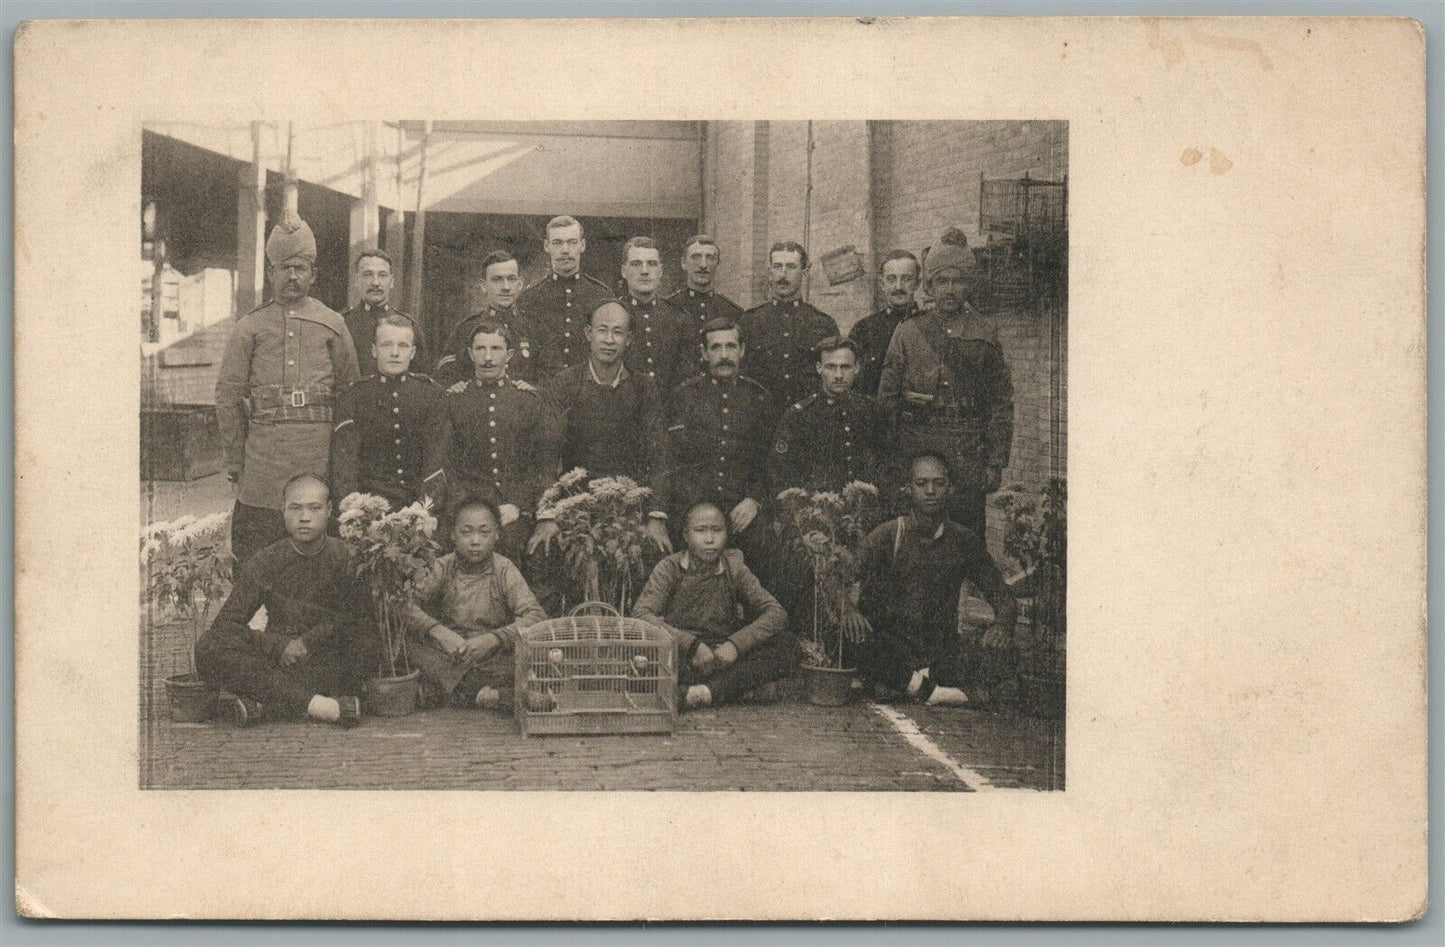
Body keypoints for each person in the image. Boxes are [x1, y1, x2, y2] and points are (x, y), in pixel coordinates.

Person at [215, 211, 360, 564]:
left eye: (300, 268)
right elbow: (228, 396)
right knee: (256, 556)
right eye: (284, 269)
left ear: (313, 274)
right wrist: (236, 459)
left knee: (319, 558)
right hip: (264, 460)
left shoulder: (332, 323)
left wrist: (343, 464)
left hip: (317, 454)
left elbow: (352, 394)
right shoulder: (249, 327)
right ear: (271, 273)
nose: (293, 276)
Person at [839, 452, 1018, 707]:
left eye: (939, 483)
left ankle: (907, 684)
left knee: (1006, 653)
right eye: (921, 484)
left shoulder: (964, 541)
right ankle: (940, 694)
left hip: (938, 651)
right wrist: (848, 610)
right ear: (908, 488)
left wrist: (1001, 625)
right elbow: (840, 577)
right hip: (890, 645)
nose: (930, 491)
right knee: (854, 640)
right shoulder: (888, 534)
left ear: (951, 488)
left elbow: (1001, 594)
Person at [195, 474, 373, 727]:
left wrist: (307, 641)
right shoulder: (266, 561)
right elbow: (227, 624)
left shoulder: (348, 556)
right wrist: (278, 645)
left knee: (366, 637)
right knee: (209, 647)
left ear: (329, 510)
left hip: (330, 656)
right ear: (283, 511)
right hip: (281, 659)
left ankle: (268, 702)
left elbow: (355, 617)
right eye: (295, 508)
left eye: (315, 508)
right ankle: (324, 707)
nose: (304, 517)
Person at [877, 237, 1014, 537]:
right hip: (919, 451)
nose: (950, 290)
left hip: (969, 455)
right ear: (929, 286)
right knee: (918, 538)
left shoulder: (985, 332)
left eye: (958, 281)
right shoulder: (909, 331)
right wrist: (894, 457)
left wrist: (995, 461)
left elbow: (1001, 403)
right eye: (942, 281)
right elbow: (886, 399)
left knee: (966, 537)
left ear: (969, 285)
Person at [535, 300, 673, 557]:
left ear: (629, 339)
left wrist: (656, 516)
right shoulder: (565, 384)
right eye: (602, 330)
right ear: (588, 334)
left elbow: (660, 453)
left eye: (618, 332)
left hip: (631, 502)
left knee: (652, 553)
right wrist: (547, 514)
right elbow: (547, 453)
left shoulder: (644, 387)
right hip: (576, 500)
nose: (609, 340)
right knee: (550, 552)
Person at [633, 502, 796, 709]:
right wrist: (691, 646)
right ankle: (734, 689)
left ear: (727, 533)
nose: (709, 540)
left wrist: (735, 645)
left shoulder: (734, 567)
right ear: (685, 535)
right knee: (641, 659)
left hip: (722, 654)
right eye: (700, 531)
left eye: (717, 530)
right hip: (684, 654)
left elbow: (776, 613)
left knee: (788, 645)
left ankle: (701, 693)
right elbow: (641, 614)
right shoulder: (669, 568)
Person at [436, 319, 562, 564]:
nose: (488, 357)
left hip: (516, 507)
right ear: (470, 354)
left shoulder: (529, 402)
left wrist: (519, 505)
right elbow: (447, 466)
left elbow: (543, 466)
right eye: (481, 349)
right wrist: (469, 510)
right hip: (468, 506)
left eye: (496, 349)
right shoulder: (454, 402)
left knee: (529, 548)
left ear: (510, 354)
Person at [404, 497, 547, 711]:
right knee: (407, 644)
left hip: (492, 657)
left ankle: (455, 692)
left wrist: (494, 639)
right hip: (450, 654)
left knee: (539, 654)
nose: (475, 541)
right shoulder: (442, 567)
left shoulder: (504, 569)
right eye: (466, 532)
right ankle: (492, 695)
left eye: (484, 532)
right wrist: (439, 632)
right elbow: (404, 604)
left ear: (497, 534)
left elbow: (535, 616)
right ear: (453, 534)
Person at [666, 318, 775, 576]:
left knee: (762, 558)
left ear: (742, 350)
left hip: (742, 510)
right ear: (704, 353)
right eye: (715, 348)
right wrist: (698, 510)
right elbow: (673, 462)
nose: (724, 355)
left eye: (730, 346)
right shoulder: (684, 397)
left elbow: (770, 461)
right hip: (694, 509)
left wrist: (754, 500)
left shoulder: (760, 398)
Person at [329, 315, 446, 508]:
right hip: (368, 507)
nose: (395, 353)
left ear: (413, 352)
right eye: (386, 345)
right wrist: (359, 513)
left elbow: (437, 461)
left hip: (418, 506)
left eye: (403, 346)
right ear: (374, 350)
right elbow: (344, 468)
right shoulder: (353, 397)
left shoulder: (432, 395)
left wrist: (422, 510)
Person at [767, 336, 885, 494]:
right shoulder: (798, 416)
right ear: (818, 368)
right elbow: (780, 471)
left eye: (845, 367)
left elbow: (887, 464)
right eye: (831, 367)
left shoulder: (871, 411)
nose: (838, 375)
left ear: (857, 368)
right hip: (815, 510)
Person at [738, 241, 838, 422]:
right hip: (760, 421)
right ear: (769, 272)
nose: (783, 274)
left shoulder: (823, 324)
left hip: (809, 422)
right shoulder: (750, 321)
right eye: (777, 267)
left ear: (804, 272)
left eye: (791, 267)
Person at [517, 215, 615, 380]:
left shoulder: (602, 296)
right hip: (545, 393)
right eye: (557, 243)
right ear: (547, 246)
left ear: (582, 246)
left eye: (572, 242)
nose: (565, 250)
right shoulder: (529, 298)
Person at [436, 250, 538, 388]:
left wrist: (534, 390)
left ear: (520, 284)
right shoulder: (466, 328)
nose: (506, 287)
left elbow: (549, 376)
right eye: (497, 280)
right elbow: (445, 377)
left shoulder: (535, 327)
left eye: (512, 279)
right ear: (484, 286)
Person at [616, 236, 690, 399]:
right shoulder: (612, 315)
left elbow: (687, 378)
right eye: (636, 264)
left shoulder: (678, 317)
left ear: (661, 271)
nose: (644, 271)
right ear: (623, 271)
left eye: (652, 264)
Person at [340, 249, 426, 378]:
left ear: (391, 281)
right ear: (356, 280)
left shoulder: (409, 325)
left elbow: (420, 377)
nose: (375, 283)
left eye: (382, 275)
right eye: (368, 275)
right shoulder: (341, 323)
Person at [848, 250, 921, 398]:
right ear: (882, 283)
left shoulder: (931, 326)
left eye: (906, 279)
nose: (898, 287)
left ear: (917, 283)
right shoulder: (864, 329)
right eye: (891, 279)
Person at [665, 233, 743, 340]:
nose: (703, 265)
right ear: (683, 263)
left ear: (718, 263)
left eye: (710, 258)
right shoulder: (668, 309)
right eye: (696, 257)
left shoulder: (733, 312)